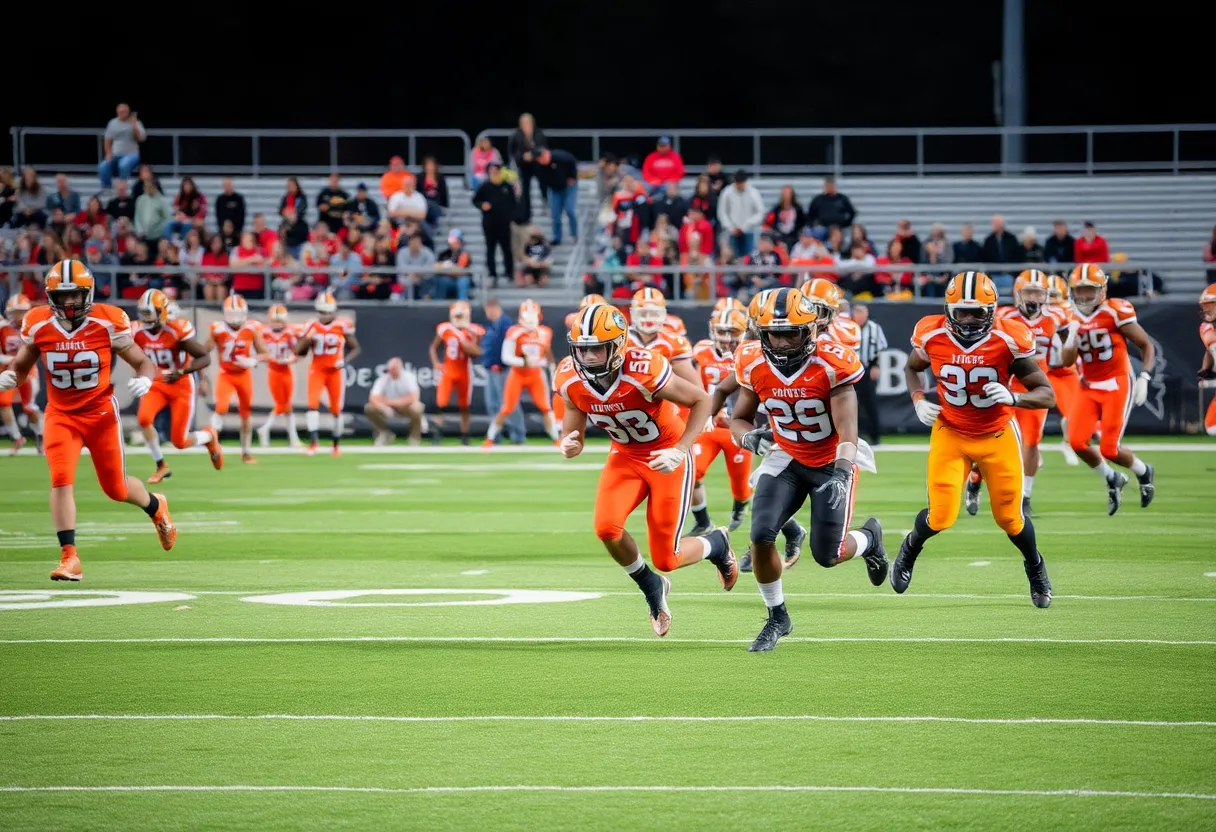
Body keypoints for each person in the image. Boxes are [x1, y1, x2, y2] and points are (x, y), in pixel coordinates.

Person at [556, 302, 738, 637]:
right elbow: (573, 430)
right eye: (582, 350)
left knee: (668, 558)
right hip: (625, 454)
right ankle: (651, 585)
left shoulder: (644, 368)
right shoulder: (569, 376)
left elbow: (700, 400)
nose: (589, 358)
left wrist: (680, 450)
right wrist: (570, 444)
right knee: (606, 528)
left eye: (597, 349)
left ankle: (717, 544)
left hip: (665, 456)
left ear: (618, 345)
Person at [729, 288, 888, 652]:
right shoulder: (752, 361)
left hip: (831, 459)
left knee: (827, 555)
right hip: (785, 456)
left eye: (792, 333)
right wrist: (749, 438)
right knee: (760, 534)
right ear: (761, 333)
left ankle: (869, 539)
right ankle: (777, 616)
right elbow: (738, 418)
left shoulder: (832, 363)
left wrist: (843, 471)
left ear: (810, 331)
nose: (783, 342)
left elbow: (849, 429)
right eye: (775, 334)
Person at [0, 259, 175, 581]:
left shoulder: (107, 320)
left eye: (75, 295)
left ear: (88, 293)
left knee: (116, 488)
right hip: (61, 415)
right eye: (62, 296)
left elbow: (142, 361)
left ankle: (155, 505)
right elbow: (21, 365)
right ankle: (70, 557)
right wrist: (12, 376)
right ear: (51, 296)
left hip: (100, 414)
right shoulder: (38, 322)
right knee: (61, 479)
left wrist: (146, 379)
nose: (69, 302)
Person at [894, 272, 1055, 607]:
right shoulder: (932, 333)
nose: (968, 319)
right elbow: (912, 368)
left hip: (996, 432)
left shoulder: (1009, 338)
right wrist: (918, 398)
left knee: (1010, 518)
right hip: (950, 431)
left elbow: (1046, 394)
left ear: (992, 310)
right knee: (940, 516)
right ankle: (910, 547)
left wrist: (1014, 397)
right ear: (949, 309)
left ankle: (1035, 566)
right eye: (962, 311)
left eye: (976, 312)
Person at [1058, 265, 1156, 514]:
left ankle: (1144, 471)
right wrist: (1070, 338)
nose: (1084, 296)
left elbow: (1146, 345)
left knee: (1109, 449)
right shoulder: (1069, 317)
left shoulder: (1115, 311)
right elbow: (1067, 362)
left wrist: (1144, 376)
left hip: (1116, 383)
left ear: (1101, 290)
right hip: (1087, 385)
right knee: (1077, 441)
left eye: (1089, 290)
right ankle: (1112, 478)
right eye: (1079, 290)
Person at [131, 289, 221, 483]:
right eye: (143, 313)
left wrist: (183, 372)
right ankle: (161, 465)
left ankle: (208, 436)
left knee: (179, 442)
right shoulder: (135, 331)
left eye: (150, 312)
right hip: (156, 382)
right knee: (144, 418)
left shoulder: (176, 330)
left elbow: (204, 357)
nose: (146, 318)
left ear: (162, 312)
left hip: (180, 384)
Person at [688, 306, 754, 535]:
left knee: (741, 487)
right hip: (708, 425)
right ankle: (703, 521)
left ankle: (740, 504)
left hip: (736, 427)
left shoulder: (750, 353)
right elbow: (694, 385)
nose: (726, 338)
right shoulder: (701, 351)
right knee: (692, 472)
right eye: (722, 332)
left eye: (733, 332)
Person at [999, 271, 1060, 516]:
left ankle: (1024, 495)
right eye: (1029, 291)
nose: (1034, 297)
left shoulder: (1057, 317)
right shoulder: (1003, 316)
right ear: (1017, 293)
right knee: (993, 436)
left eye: (1038, 291)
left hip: (1036, 386)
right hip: (1006, 384)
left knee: (1032, 441)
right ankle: (975, 478)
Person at [482, 300, 559, 446]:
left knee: (546, 407)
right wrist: (524, 362)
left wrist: (551, 367)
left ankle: (556, 439)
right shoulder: (514, 332)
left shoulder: (544, 332)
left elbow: (547, 353)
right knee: (507, 407)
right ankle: (489, 439)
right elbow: (506, 357)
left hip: (535, 373)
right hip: (518, 373)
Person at [203, 295, 269, 464]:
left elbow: (265, 352)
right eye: (231, 314)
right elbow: (203, 352)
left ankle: (246, 451)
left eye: (237, 314)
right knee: (221, 407)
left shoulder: (252, 328)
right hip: (226, 373)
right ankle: (213, 443)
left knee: (246, 414)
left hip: (243, 375)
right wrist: (201, 377)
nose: (235, 318)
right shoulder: (217, 329)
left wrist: (253, 360)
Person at [296, 291, 360, 457]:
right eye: (322, 312)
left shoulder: (342, 325)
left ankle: (336, 445)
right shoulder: (310, 326)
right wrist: (307, 339)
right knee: (312, 405)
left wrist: (344, 361)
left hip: (335, 371)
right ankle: (313, 444)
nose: (325, 315)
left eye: (328, 312)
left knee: (336, 409)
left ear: (334, 311)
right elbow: (298, 351)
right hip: (317, 368)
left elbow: (356, 348)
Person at [429, 301, 485, 445]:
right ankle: (437, 434)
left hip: (464, 370)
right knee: (441, 403)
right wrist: (436, 362)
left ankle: (465, 436)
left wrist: (468, 341)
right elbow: (433, 347)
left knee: (464, 406)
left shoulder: (474, 330)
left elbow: (477, 352)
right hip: (449, 369)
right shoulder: (445, 329)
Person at [1044, 275, 1082, 466]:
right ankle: (1027, 447)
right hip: (1042, 368)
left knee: (1073, 412)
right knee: (1024, 410)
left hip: (1065, 370)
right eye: (1048, 295)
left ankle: (1067, 443)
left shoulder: (1070, 312)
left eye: (1054, 295)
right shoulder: (1039, 313)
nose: (1051, 300)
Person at [0, 294, 43, 452]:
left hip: (28, 369)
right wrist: (8, 360)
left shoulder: (34, 327)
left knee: (29, 407)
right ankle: (17, 438)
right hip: (8, 371)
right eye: (14, 312)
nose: (17, 316)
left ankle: (40, 435)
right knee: (3, 403)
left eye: (21, 311)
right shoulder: (3, 327)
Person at [256, 305, 302, 448]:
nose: (277, 324)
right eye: (274, 321)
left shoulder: (290, 333)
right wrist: (263, 358)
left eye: (279, 321)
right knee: (282, 404)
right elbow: (259, 352)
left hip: (286, 369)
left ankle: (292, 438)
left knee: (287, 405)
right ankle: (268, 430)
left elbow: (297, 352)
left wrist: (290, 359)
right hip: (273, 370)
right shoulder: (262, 333)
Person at [480, 298, 525, 444]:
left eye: (488, 309)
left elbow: (510, 347)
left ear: (493, 308)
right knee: (493, 404)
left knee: (509, 404)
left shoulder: (505, 325)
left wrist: (502, 364)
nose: (487, 313)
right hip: (491, 369)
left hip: (503, 369)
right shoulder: (493, 325)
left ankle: (518, 436)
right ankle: (496, 436)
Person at [364, 358, 425, 446]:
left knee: (417, 407)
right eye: (390, 369)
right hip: (388, 408)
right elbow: (373, 398)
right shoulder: (383, 378)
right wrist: (382, 406)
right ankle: (384, 433)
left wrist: (388, 402)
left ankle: (414, 438)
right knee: (369, 408)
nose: (391, 372)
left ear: (399, 368)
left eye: (393, 369)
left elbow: (414, 398)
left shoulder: (409, 377)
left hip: (405, 408)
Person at [851, 303, 886, 445]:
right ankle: (857, 435)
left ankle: (875, 435)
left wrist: (876, 365)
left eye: (863, 315)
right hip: (851, 370)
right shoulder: (848, 327)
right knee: (851, 403)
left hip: (867, 368)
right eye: (858, 315)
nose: (861, 318)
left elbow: (880, 348)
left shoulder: (874, 328)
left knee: (870, 403)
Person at [98, 103, 145, 191]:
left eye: (125, 112)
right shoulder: (112, 123)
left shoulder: (136, 123)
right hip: (115, 154)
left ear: (128, 112)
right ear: (117, 112)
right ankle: (107, 188)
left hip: (131, 154)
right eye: (121, 112)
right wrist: (108, 153)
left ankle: (122, 188)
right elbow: (107, 140)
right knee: (103, 166)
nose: (123, 114)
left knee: (124, 164)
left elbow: (141, 138)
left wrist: (134, 126)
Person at [1198, 284, 1216, 435]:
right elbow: (1210, 349)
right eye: (1205, 305)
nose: (1206, 309)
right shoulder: (1206, 329)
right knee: (1212, 427)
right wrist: (1206, 369)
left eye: (1211, 304)